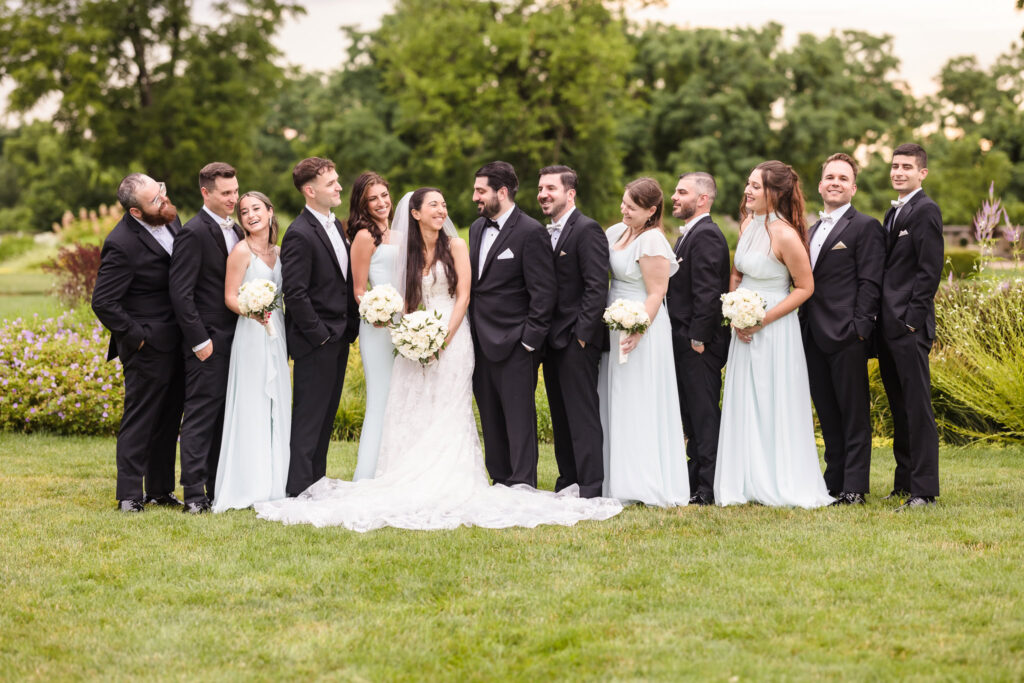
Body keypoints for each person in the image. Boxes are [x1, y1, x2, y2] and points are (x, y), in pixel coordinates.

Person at [254, 189, 622, 530]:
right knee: (414, 404)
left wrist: (443, 335)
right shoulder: (408, 252)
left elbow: (464, 294)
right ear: (415, 213)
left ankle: (459, 476)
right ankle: (408, 472)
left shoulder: (456, 244)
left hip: (454, 335)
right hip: (416, 335)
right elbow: (404, 296)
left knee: (451, 405)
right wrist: (412, 334)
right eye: (434, 205)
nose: (442, 210)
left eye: (444, 204)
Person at [714, 161, 833, 508]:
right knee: (745, 400)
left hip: (775, 329)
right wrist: (735, 310)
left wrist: (761, 319)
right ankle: (744, 480)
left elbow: (805, 287)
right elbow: (737, 272)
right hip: (743, 325)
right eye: (747, 184)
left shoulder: (785, 234)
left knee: (771, 401)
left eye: (755, 186)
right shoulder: (748, 223)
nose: (747, 191)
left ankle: (777, 479)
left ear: (775, 192)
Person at [92, 174, 185, 512]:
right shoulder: (122, 243)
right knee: (140, 419)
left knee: (170, 418)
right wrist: (138, 338)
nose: (163, 202)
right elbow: (103, 302)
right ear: (135, 213)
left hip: (178, 340)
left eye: (161, 192)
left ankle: (160, 489)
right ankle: (129, 495)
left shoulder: (172, 222)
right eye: (155, 201)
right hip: (147, 347)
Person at [598, 177, 689, 506]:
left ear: (651, 211)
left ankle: (643, 482)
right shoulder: (616, 232)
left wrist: (638, 328)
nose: (624, 210)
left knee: (639, 397)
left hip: (642, 325)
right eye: (623, 203)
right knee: (616, 398)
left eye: (632, 207)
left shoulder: (652, 240)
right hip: (615, 320)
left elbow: (656, 292)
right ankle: (616, 478)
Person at [800, 153, 885, 506]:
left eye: (842, 178)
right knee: (827, 411)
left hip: (847, 335)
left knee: (853, 414)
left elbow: (870, 282)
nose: (835, 182)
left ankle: (855, 487)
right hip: (811, 335)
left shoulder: (865, 226)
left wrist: (860, 330)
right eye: (829, 177)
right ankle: (833, 481)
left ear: (853, 187)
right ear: (820, 185)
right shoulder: (810, 230)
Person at [468, 161, 556, 488]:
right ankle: (500, 480)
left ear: (501, 192)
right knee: (489, 417)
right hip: (479, 341)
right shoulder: (477, 228)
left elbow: (544, 293)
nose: (475, 197)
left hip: (516, 344)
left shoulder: (531, 231)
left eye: (481, 191)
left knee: (519, 420)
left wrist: (529, 341)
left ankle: (523, 483)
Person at [281, 157, 359, 497]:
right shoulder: (299, 233)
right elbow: (295, 293)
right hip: (316, 342)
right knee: (309, 418)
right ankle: (298, 488)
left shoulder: (335, 226)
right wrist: (321, 336)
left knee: (325, 416)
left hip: (339, 337)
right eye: (331, 183)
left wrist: (348, 328)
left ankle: (316, 481)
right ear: (310, 191)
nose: (339, 187)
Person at [169, 162, 243, 513]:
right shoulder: (194, 232)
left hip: (238, 340)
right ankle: (194, 495)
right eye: (226, 193)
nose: (234, 198)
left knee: (223, 417)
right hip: (208, 343)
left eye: (235, 191)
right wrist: (200, 341)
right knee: (200, 416)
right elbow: (180, 294)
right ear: (205, 193)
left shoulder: (239, 232)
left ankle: (216, 487)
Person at [212, 192, 291, 512]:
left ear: (270, 212)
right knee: (253, 401)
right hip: (251, 331)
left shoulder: (281, 252)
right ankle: (249, 482)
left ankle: (277, 482)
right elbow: (230, 296)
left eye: (256, 209)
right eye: (244, 212)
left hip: (277, 331)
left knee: (277, 402)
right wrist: (251, 310)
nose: (250, 215)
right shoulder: (240, 252)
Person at [876, 143, 944, 510]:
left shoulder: (926, 210)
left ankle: (925, 491)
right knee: (899, 408)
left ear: (922, 173)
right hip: (887, 329)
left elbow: (929, 270)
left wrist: (912, 322)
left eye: (906, 167)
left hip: (908, 328)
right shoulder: (893, 212)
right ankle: (904, 484)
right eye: (895, 166)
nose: (898, 172)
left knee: (917, 409)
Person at [537, 165, 608, 498]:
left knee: (582, 415)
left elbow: (596, 286)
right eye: (540, 188)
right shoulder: (544, 232)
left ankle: (591, 485)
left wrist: (582, 335)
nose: (543, 194)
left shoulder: (588, 229)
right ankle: (568, 480)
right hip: (550, 340)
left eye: (550, 188)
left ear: (570, 193)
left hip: (577, 340)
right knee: (561, 414)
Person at [666, 172, 730, 506]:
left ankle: (708, 487)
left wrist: (698, 338)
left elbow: (709, 293)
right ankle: (694, 483)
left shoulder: (705, 236)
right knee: (691, 415)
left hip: (698, 345)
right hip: (684, 342)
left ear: (702, 199)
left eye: (682, 192)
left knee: (704, 416)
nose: (674, 197)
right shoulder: (689, 235)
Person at [346, 172, 397, 481]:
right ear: (362, 205)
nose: (381, 203)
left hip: (403, 325)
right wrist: (378, 312)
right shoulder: (365, 236)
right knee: (381, 396)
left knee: (401, 398)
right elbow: (359, 289)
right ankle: (368, 473)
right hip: (376, 326)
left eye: (384, 196)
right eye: (373, 199)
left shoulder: (400, 232)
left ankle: (395, 467)